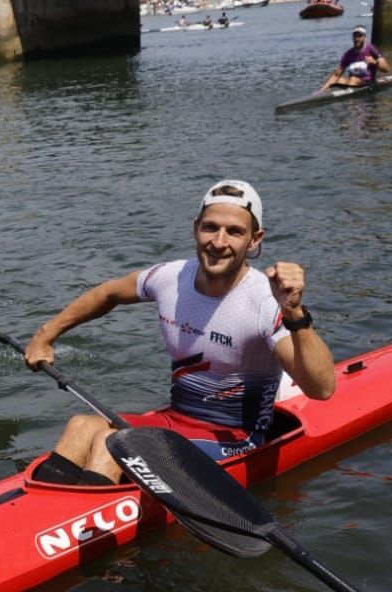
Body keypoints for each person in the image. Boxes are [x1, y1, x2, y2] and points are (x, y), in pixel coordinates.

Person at [23, 180, 336, 485]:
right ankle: (50, 506)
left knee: (113, 443)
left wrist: (294, 313)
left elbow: (322, 389)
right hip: (176, 420)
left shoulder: (264, 302)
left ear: (255, 240)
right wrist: (45, 335)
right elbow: (108, 293)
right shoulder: (170, 277)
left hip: (237, 439)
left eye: (234, 232)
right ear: (196, 227)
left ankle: (89, 511)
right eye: (210, 227)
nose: (219, 242)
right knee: (80, 426)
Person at [321, 26, 389, 89]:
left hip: (368, 83)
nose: (357, 39)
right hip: (353, 83)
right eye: (355, 36)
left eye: (359, 36)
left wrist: (374, 62)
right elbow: (336, 75)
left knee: (353, 79)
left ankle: (350, 96)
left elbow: (386, 69)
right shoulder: (348, 54)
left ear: (364, 37)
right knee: (337, 80)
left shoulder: (371, 49)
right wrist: (322, 90)